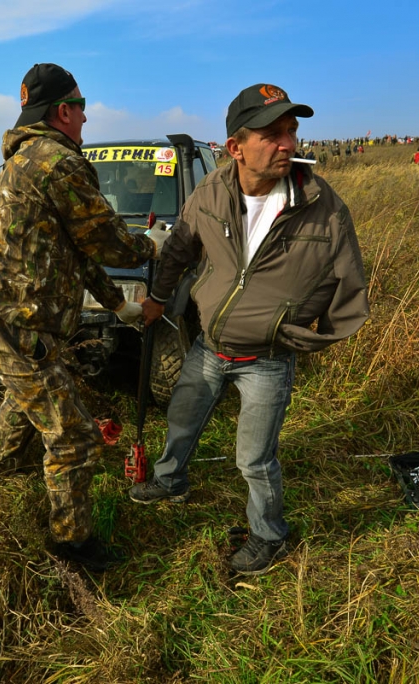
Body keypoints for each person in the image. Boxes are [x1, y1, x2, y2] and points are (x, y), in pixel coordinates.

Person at [129, 84, 370, 575]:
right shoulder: (211, 191)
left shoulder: (323, 206)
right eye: (272, 134)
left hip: (267, 359)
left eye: (291, 131)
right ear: (235, 147)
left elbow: (351, 291)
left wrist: (302, 337)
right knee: (182, 418)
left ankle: (269, 534)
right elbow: (178, 251)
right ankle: (171, 482)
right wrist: (158, 298)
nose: (288, 143)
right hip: (210, 346)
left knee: (255, 460)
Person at [0, 63, 169, 572]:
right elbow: (107, 243)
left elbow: (76, 252)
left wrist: (118, 305)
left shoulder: (23, 160)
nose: (85, 118)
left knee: (23, 403)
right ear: (63, 111)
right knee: (75, 437)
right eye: (81, 107)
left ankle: (0, 485)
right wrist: (151, 245)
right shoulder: (59, 162)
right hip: (18, 327)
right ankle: (72, 551)